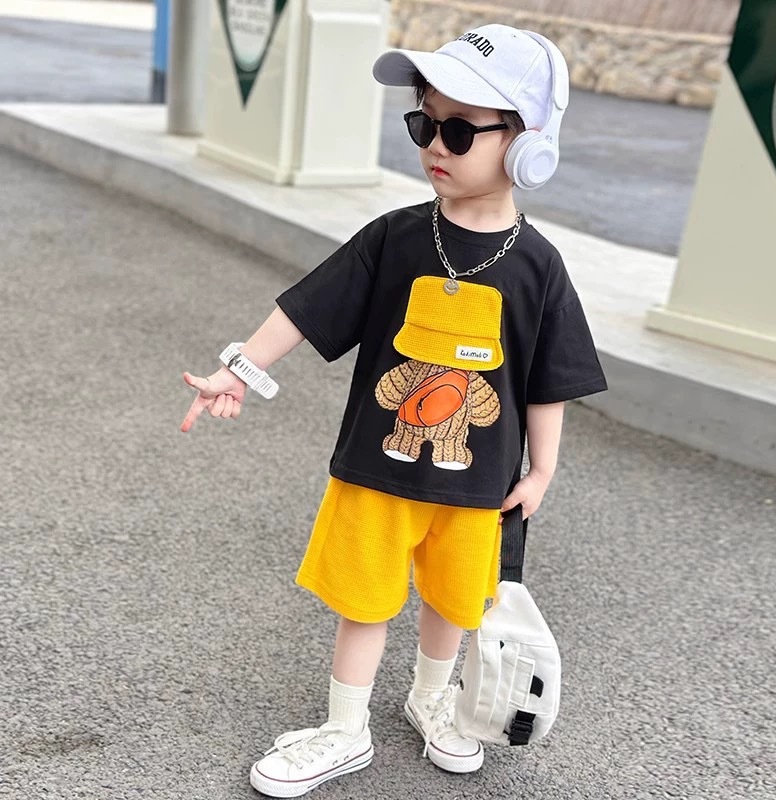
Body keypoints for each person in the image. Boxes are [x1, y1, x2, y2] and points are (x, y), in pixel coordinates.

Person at [180, 23, 607, 798]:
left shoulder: (540, 267)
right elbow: (308, 308)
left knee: (452, 602)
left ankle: (430, 697)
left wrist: (542, 469)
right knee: (364, 601)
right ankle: (345, 729)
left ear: (526, 147)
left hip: (476, 486)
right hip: (377, 471)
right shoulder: (395, 237)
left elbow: (550, 379)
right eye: (423, 124)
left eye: (458, 130)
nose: (434, 145)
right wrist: (237, 368)